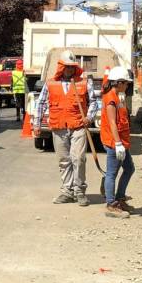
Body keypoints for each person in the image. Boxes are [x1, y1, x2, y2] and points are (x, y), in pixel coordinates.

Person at [33, 50, 95, 207]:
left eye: (72, 67)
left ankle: (79, 191)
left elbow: (94, 101)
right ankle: (67, 191)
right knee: (64, 160)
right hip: (59, 127)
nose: (69, 69)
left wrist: (90, 117)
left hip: (79, 126)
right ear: (61, 67)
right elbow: (40, 103)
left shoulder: (84, 82)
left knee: (79, 159)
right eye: (67, 66)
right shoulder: (50, 83)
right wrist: (37, 124)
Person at [100, 67, 135, 218]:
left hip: (122, 142)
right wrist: (118, 144)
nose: (127, 86)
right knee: (112, 173)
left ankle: (120, 198)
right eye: (126, 83)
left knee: (129, 168)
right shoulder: (110, 99)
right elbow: (112, 123)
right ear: (119, 82)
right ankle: (111, 204)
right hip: (115, 142)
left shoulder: (119, 96)